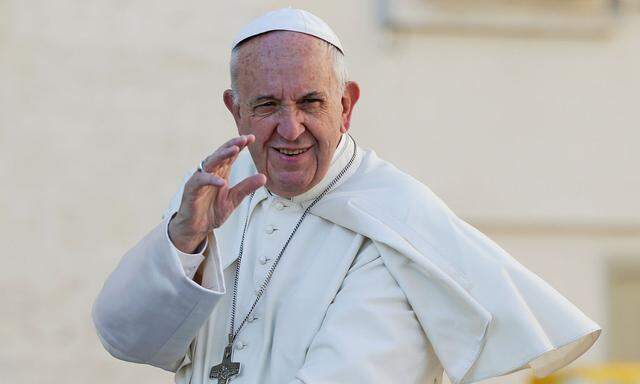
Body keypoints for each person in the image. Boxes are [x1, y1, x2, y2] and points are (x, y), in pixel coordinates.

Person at [92, 8, 601, 384]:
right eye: (267, 105)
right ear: (235, 110)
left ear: (346, 104)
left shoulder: (396, 225)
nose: (290, 128)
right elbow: (125, 337)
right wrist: (184, 238)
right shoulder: (216, 195)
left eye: (311, 102)